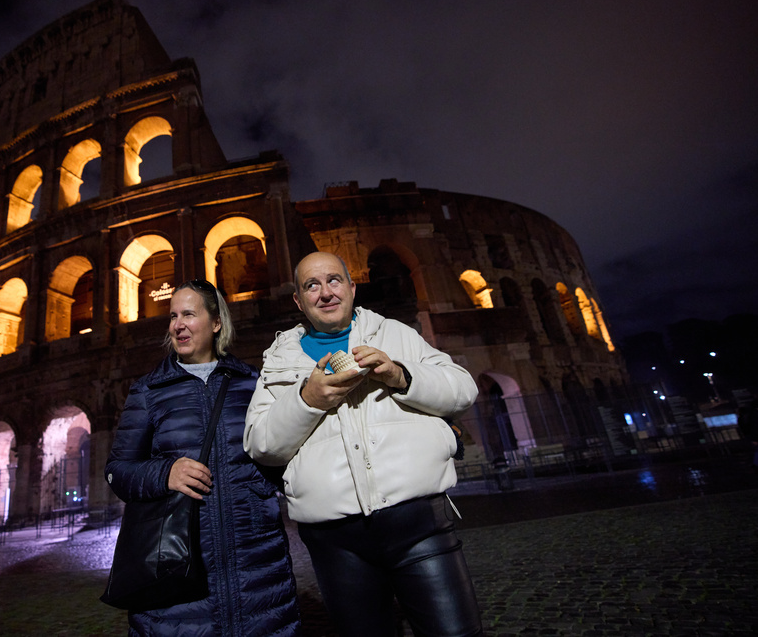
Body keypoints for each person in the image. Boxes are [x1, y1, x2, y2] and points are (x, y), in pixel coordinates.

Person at [245, 252, 484, 637]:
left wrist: (399, 374)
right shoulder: (279, 358)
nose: (325, 292)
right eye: (311, 285)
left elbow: (462, 389)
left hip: (418, 524)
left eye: (334, 280)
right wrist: (307, 399)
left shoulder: (394, 332)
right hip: (336, 542)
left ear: (352, 288)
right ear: (298, 300)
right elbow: (261, 445)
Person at [106, 279, 300, 636]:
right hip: (177, 568)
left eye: (189, 314)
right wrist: (165, 472)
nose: (177, 324)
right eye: (173, 315)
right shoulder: (148, 391)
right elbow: (118, 472)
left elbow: (277, 457)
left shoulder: (253, 384)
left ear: (215, 323)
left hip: (257, 564)